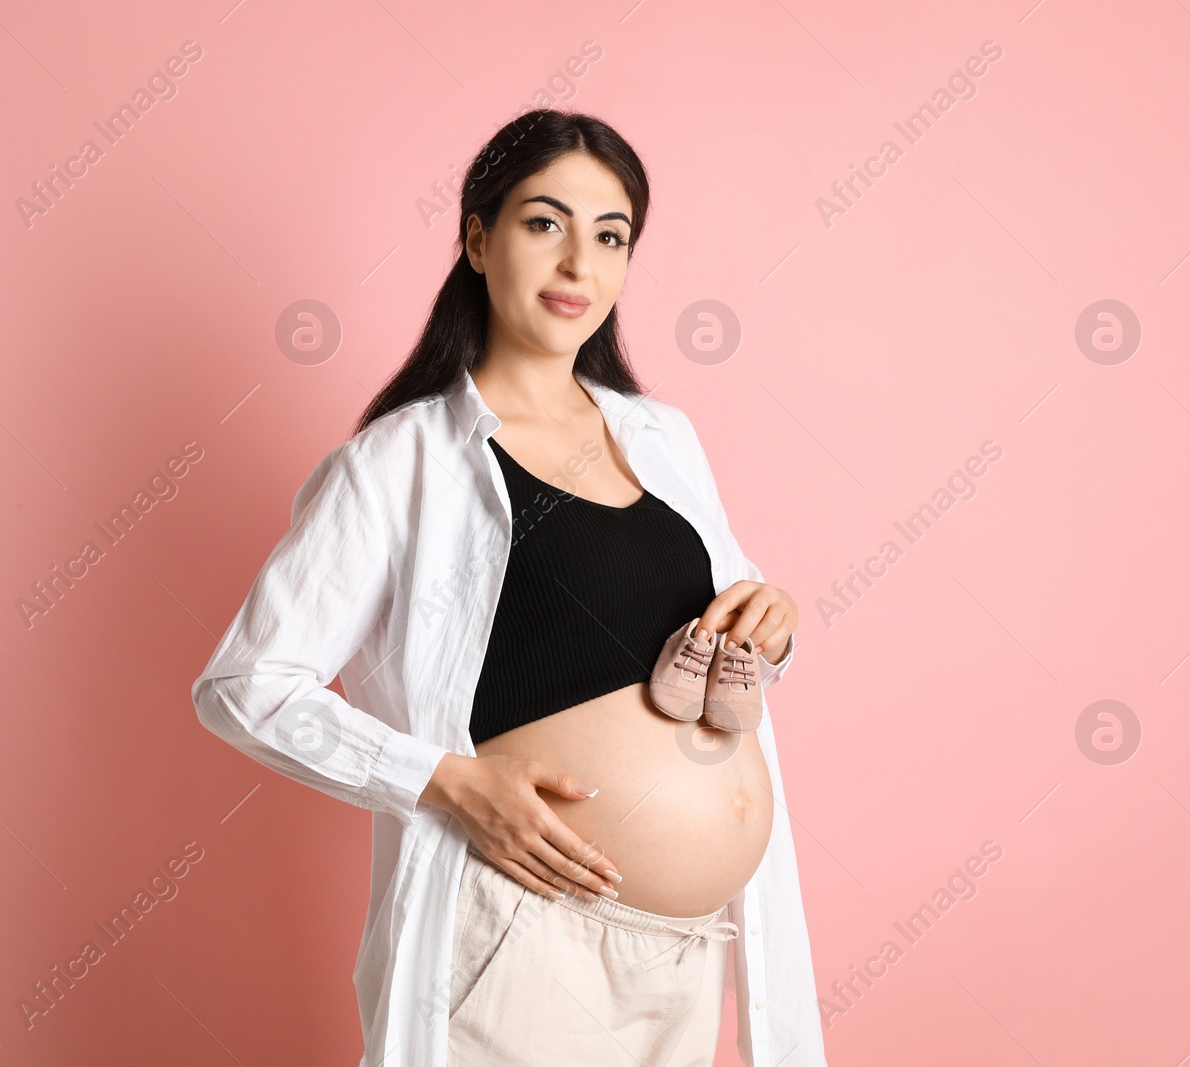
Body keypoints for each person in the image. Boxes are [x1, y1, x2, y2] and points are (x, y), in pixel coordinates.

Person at [192, 109, 827, 1066]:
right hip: (525, 940)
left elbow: (723, 631)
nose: (580, 263)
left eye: (610, 236)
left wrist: (769, 623)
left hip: (689, 955)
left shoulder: (663, 438)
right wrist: (444, 781)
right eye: (545, 223)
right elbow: (245, 685)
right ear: (478, 240)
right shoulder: (398, 462)